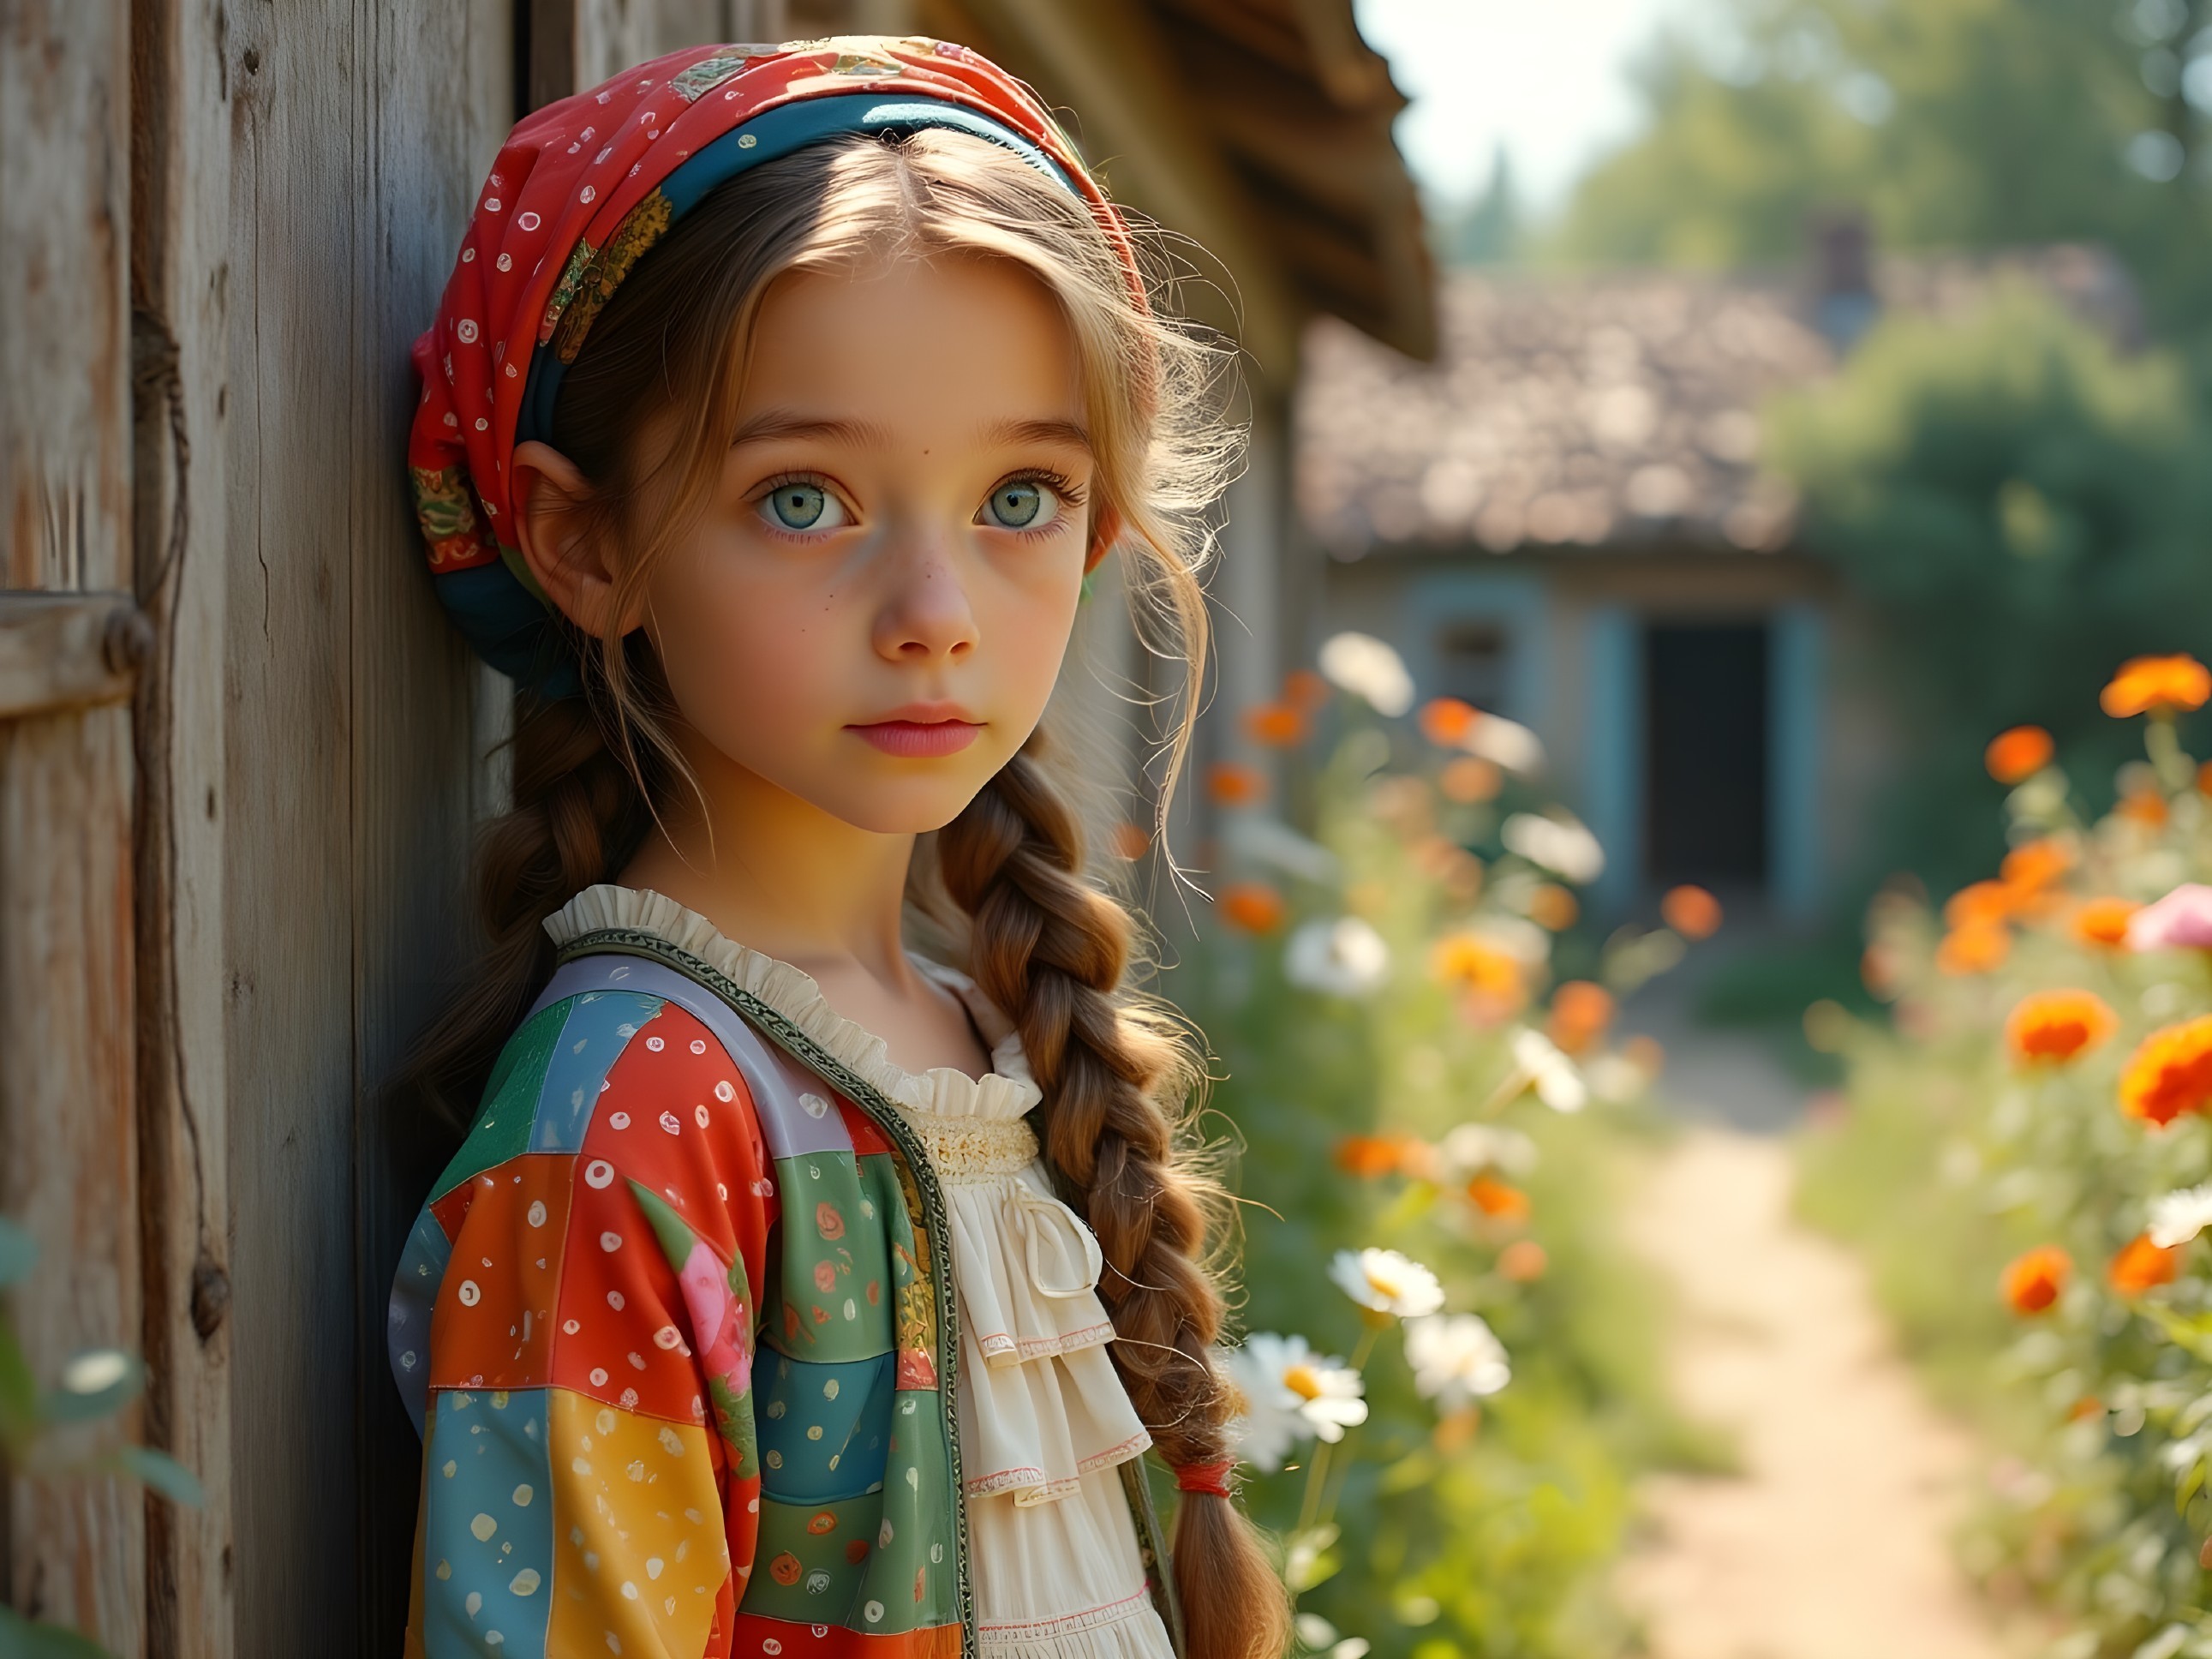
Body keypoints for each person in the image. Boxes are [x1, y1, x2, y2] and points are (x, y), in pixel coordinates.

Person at [386, 37, 1288, 1659]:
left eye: (1020, 495)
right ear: (584, 544)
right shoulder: (634, 1120)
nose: (937, 620)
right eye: (805, 499)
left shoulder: (982, 1035)